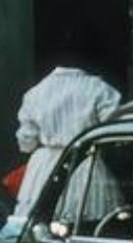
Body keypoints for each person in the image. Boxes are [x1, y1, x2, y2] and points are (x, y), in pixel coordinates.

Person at [12, 57, 123, 218]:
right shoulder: (99, 90)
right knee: (87, 220)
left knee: (41, 218)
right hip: (85, 162)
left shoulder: (36, 93)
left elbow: (26, 142)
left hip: (45, 167)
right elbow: (114, 133)